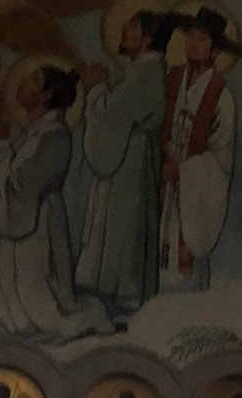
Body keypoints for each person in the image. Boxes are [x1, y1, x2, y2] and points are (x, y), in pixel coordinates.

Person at [0, 65, 113, 341]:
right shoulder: (35, 133)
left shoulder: (53, 135)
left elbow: (19, 185)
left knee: (42, 305)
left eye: (32, 80)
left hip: (39, 224)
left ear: (45, 94)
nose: (22, 81)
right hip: (30, 218)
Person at [76, 10, 175, 315]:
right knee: (118, 224)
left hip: (132, 164)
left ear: (147, 38)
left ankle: (123, 301)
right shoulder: (138, 71)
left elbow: (111, 114)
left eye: (132, 26)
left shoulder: (147, 72)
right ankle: (114, 298)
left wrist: (96, 88)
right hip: (127, 158)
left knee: (125, 227)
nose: (123, 29)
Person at [158, 7, 242, 292]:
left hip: (193, 189)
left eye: (202, 39)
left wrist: (184, 170)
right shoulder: (172, 80)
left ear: (216, 50)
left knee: (186, 269)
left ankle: (188, 294)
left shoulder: (222, 98)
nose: (193, 44)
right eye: (190, 37)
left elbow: (220, 158)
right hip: (163, 178)